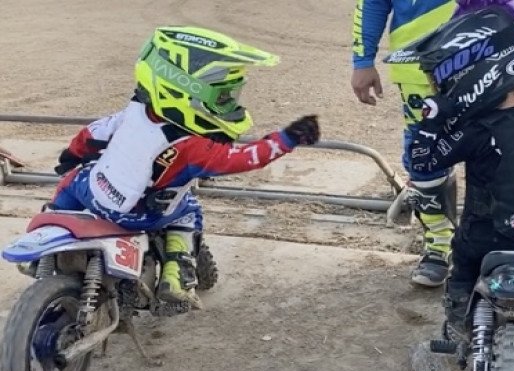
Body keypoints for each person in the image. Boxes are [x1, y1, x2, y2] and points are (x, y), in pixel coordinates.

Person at [51, 26, 321, 308]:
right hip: (139, 216)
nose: (230, 103)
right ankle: (176, 275)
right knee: (187, 210)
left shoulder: (134, 112)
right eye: (223, 97)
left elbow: (91, 135)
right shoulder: (193, 147)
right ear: (185, 92)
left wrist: (70, 157)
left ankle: (52, 225)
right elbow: (245, 157)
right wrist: (288, 138)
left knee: (71, 178)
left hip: (93, 195)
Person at [384, 1, 514, 349]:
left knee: (463, 264)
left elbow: (423, 163)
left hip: (486, 234)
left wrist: (431, 124)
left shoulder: (473, 130)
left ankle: (455, 328)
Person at [351, 0, 514, 287]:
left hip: (495, 58)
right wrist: (363, 60)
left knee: (502, 149)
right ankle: (439, 244)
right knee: (425, 157)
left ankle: (503, 242)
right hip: (420, 68)